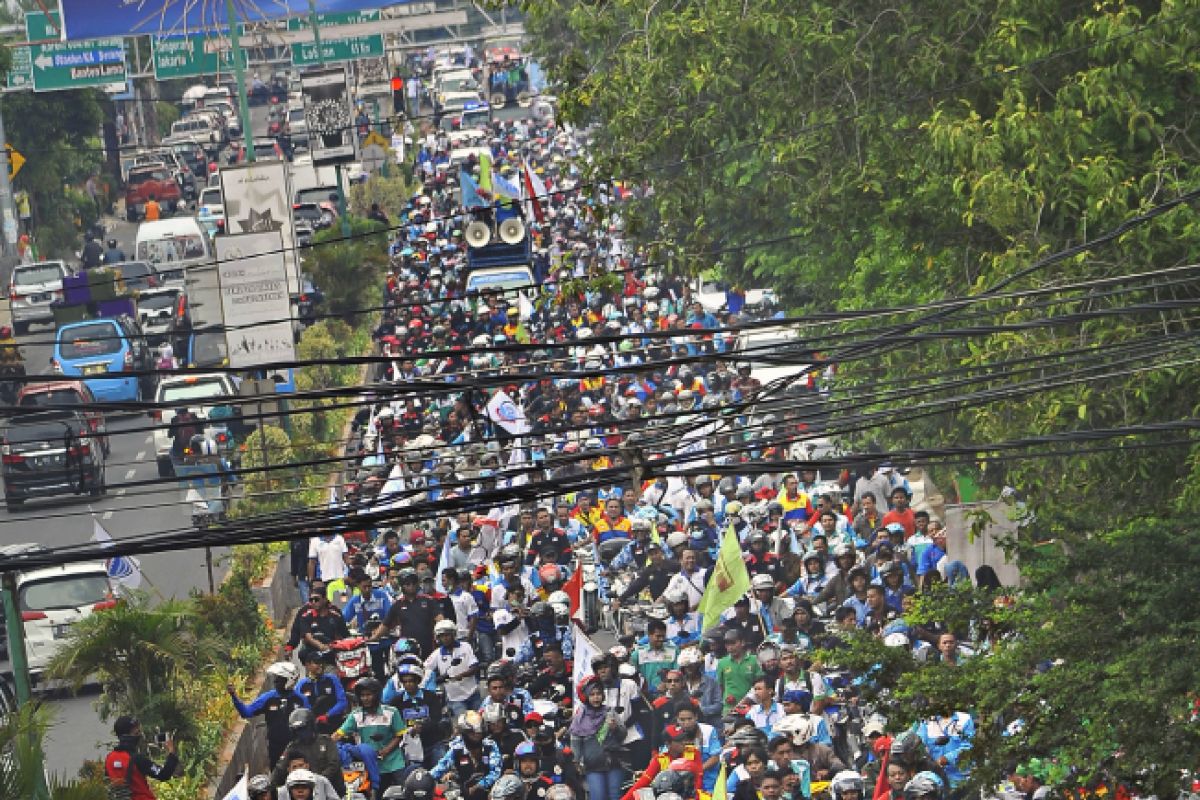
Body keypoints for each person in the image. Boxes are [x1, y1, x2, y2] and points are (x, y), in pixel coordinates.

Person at [333, 677, 408, 797]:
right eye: (362, 695)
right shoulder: (356, 715)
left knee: (404, 793)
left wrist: (385, 751)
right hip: (371, 764)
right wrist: (326, 742)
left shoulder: (391, 712)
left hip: (394, 762)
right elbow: (338, 734)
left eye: (369, 695)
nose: (365, 698)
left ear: (376, 695)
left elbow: (399, 735)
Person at [228, 661, 308, 765]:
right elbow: (246, 713)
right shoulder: (268, 698)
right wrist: (234, 696)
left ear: (289, 680)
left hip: (298, 746)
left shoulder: (301, 699)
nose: (275, 681)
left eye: (279, 678)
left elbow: (309, 720)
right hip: (275, 747)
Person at [569, 676, 627, 800]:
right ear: (586, 696)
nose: (596, 697)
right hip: (592, 767)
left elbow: (622, 735)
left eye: (599, 694)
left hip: (614, 764)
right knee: (598, 797)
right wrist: (576, 762)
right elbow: (576, 745)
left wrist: (615, 728)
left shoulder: (610, 712)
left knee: (615, 796)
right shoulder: (579, 718)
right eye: (592, 694)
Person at [431, 711, 503, 800]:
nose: (477, 736)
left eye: (479, 733)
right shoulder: (457, 748)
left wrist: (478, 786)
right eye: (472, 733)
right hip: (464, 792)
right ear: (465, 732)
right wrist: (426, 778)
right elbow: (440, 767)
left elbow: (496, 772)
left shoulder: (490, 745)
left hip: (490, 791)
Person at [104, 716, 178, 800]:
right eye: (136, 732)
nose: (139, 734)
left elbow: (108, 784)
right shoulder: (137, 759)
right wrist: (171, 752)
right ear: (129, 735)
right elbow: (164, 774)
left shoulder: (109, 758)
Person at [272, 711, 345, 795]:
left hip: (331, 790)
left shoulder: (326, 741)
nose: (301, 733)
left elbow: (333, 764)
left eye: (303, 729)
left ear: (311, 726)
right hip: (305, 791)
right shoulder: (292, 747)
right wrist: (270, 787)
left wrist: (318, 781)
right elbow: (280, 768)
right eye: (298, 730)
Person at [424, 618, 480, 716]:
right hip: (455, 699)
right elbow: (425, 670)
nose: (445, 638)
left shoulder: (465, 646)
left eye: (447, 635)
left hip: (473, 694)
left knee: (480, 721)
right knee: (463, 724)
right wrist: (436, 679)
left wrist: (461, 675)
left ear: (454, 634)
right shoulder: (437, 654)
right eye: (441, 636)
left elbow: (474, 667)